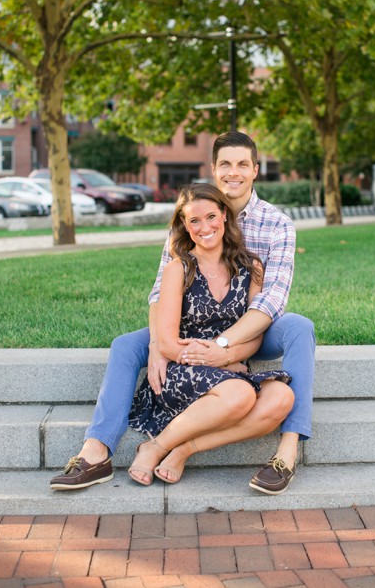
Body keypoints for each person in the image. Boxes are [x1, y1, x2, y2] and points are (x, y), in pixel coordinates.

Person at [50, 131, 315, 495]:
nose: (233, 172)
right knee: (128, 345)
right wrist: (160, 344)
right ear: (214, 168)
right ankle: (96, 450)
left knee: (300, 327)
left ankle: (285, 452)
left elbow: (269, 303)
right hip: (188, 328)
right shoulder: (189, 217)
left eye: (242, 164)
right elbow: (161, 288)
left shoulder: (277, 224)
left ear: (255, 170)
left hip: (251, 329)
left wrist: (223, 349)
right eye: (225, 164)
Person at [122, 183, 293, 485]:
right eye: (194, 221)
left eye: (211, 216)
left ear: (225, 215)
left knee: (281, 397)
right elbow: (167, 341)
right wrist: (218, 362)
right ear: (185, 227)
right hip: (182, 371)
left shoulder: (250, 267)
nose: (205, 227)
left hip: (229, 368)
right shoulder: (179, 268)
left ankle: (184, 448)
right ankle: (155, 446)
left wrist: (226, 356)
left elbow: (254, 333)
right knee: (240, 393)